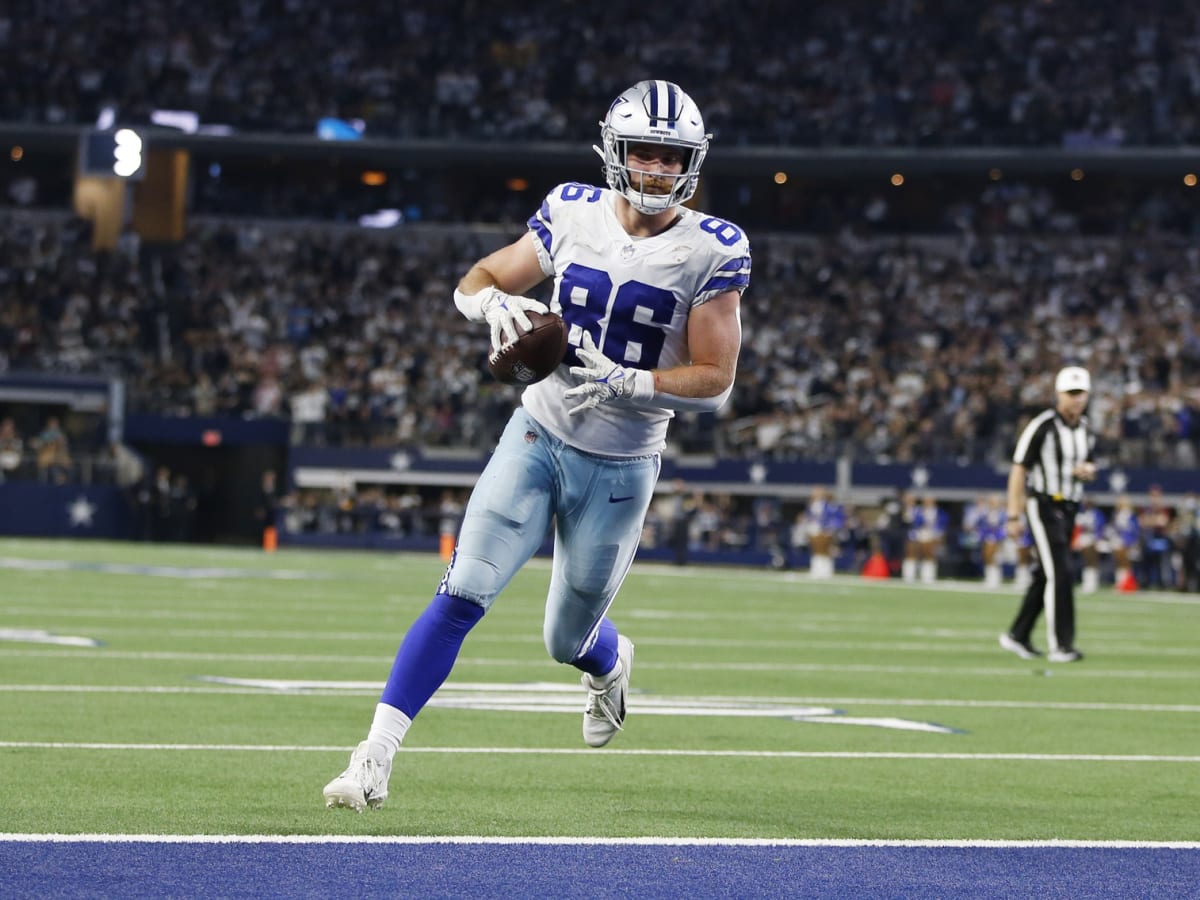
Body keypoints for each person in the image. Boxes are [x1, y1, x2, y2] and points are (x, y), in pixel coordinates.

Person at [323, 80, 750, 812]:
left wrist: (632, 381)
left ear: (692, 161)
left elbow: (715, 381)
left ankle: (609, 662)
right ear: (614, 152)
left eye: (669, 155)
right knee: (462, 593)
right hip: (538, 431)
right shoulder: (572, 209)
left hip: (621, 464)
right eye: (642, 152)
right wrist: (491, 303)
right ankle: (374, 756)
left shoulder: (713, 248)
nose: (653, 169)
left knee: (565, 637)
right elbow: (479, 278)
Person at [999, 366, 1096, 663]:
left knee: (1045, 575)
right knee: (1061, 571)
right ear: (1058, 394)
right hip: (1043, 504)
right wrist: (1013, 515)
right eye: (1071, 394)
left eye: (1081, 394)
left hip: (1069, 506)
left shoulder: (1086, 429)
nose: (1076, 400)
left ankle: (1018, 634)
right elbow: (1019, 469)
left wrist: (1088, 471)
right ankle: (1061, 645)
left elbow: (1088, 463)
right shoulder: (1041, 425)